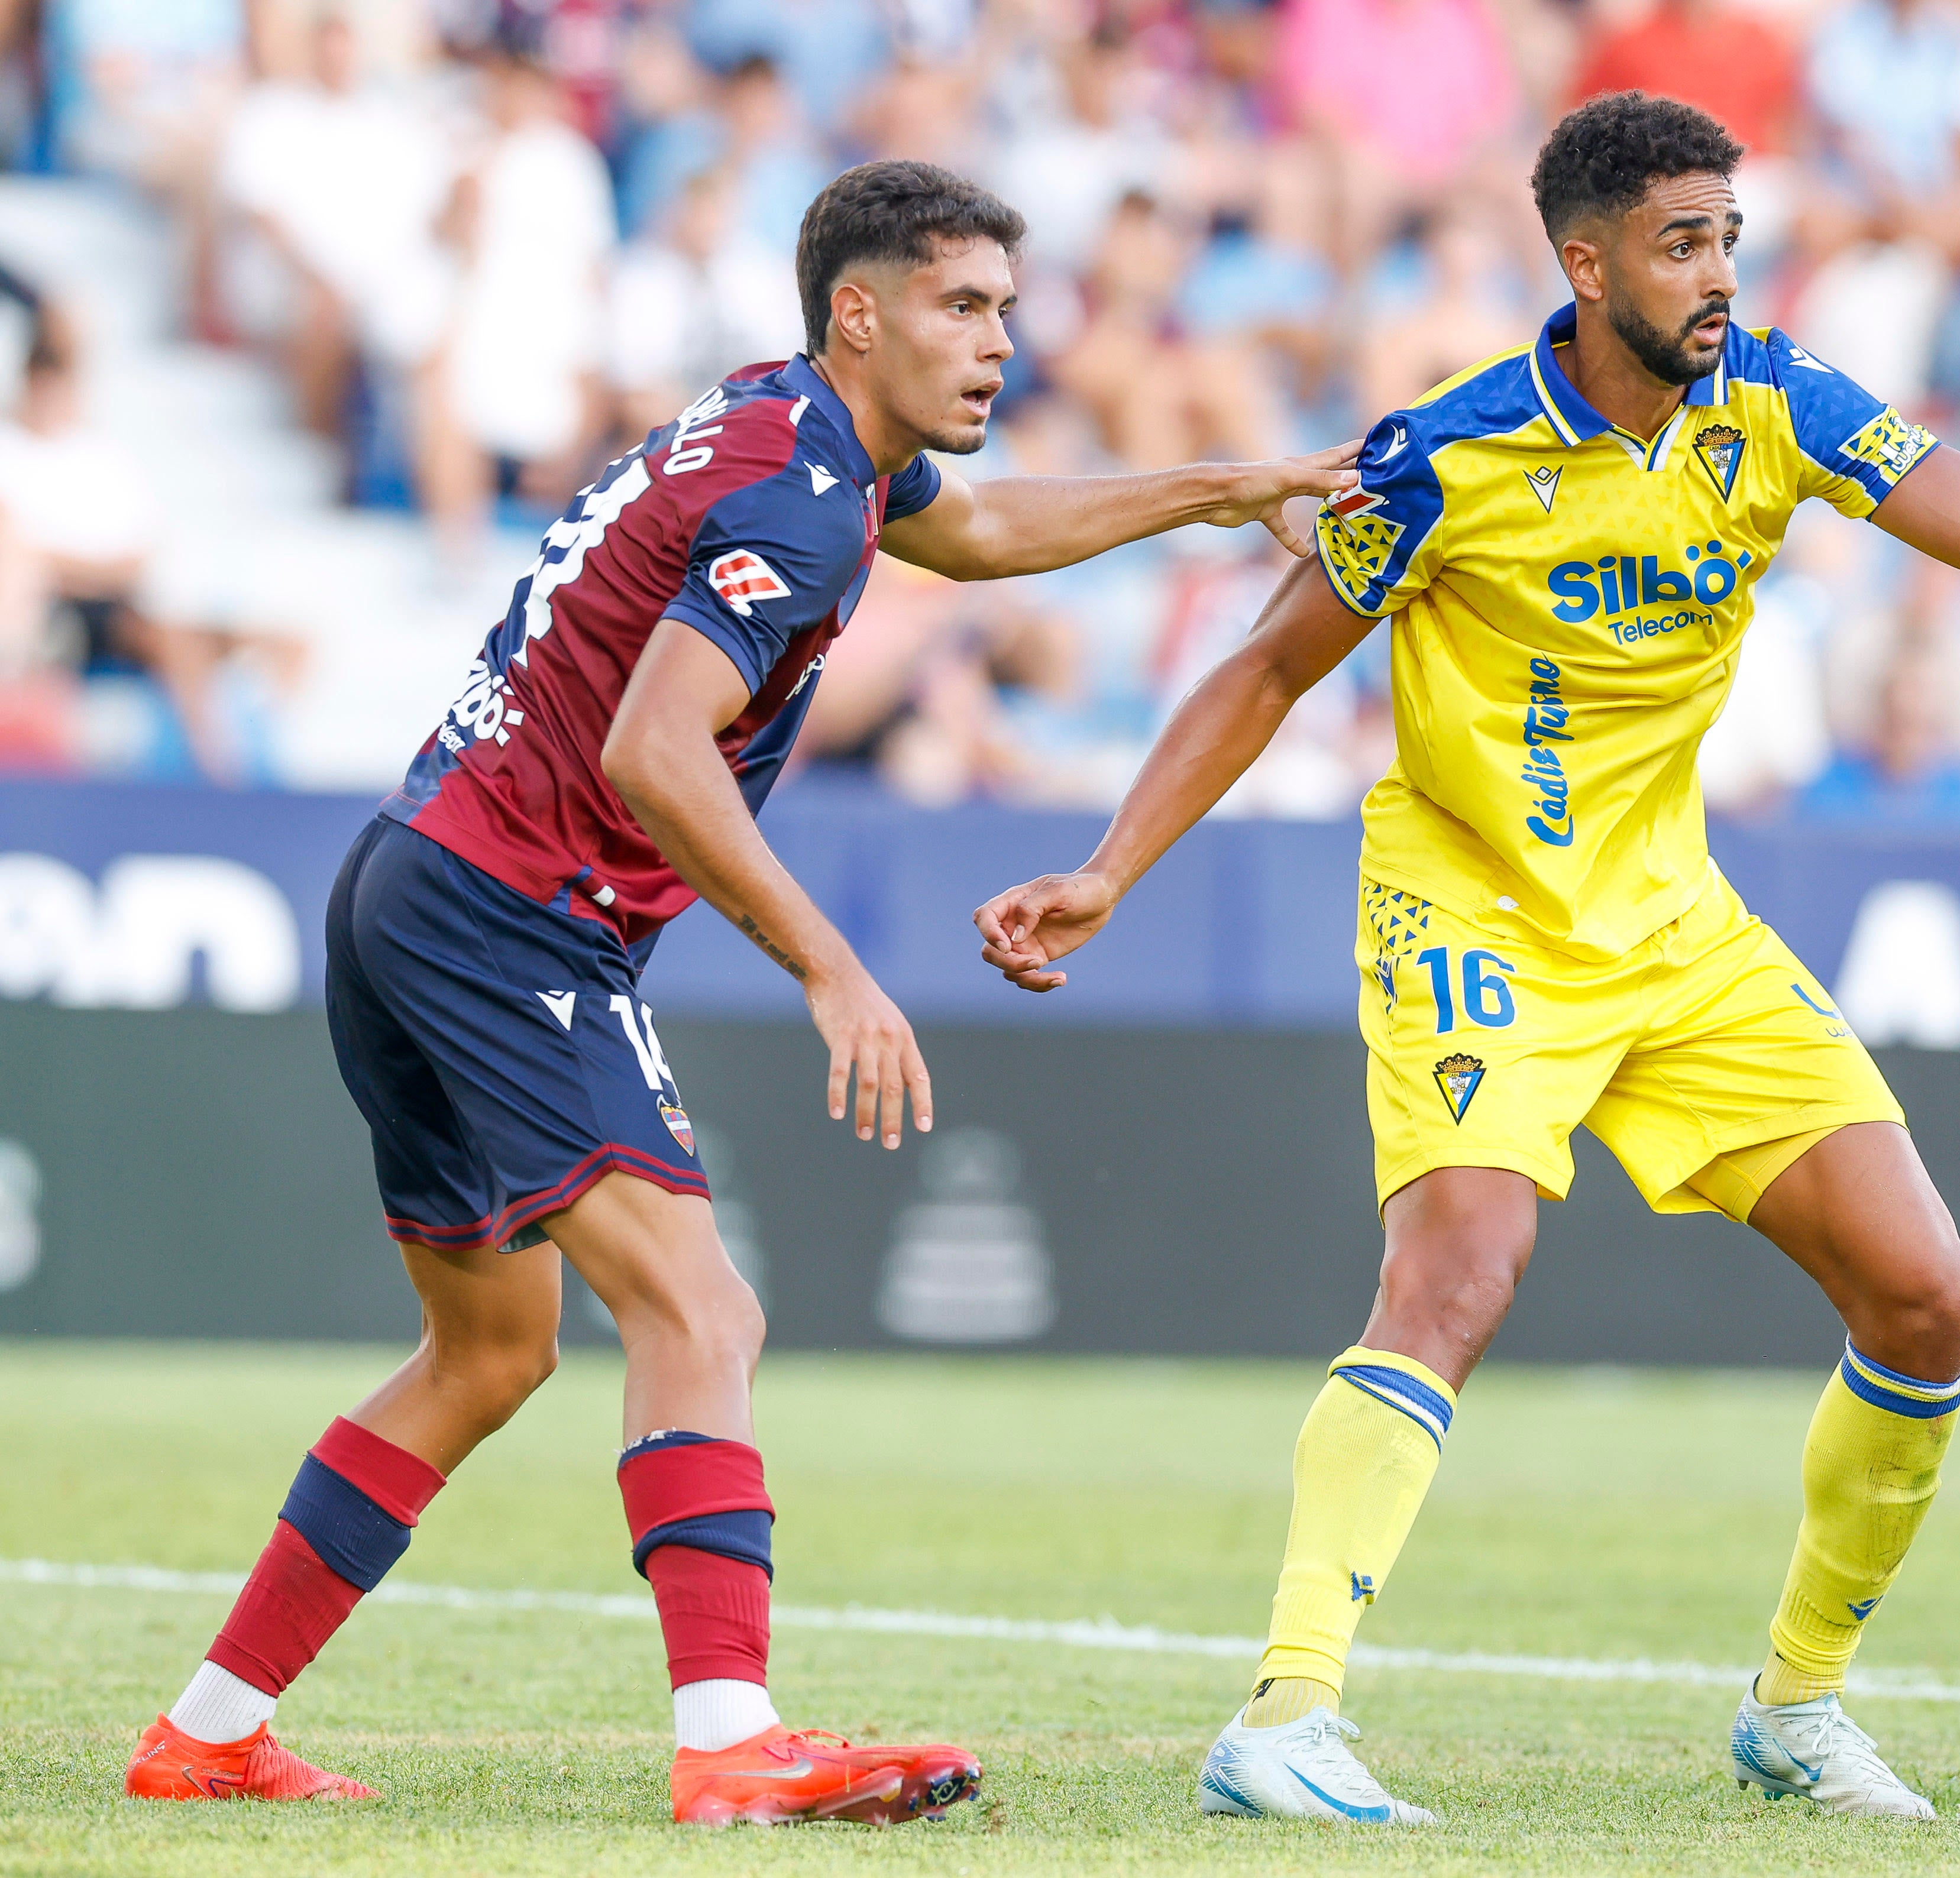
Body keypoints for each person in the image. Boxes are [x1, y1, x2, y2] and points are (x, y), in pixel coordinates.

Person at [973, 93, 1960, 1825]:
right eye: (1682, 244)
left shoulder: (1781, 406)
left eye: (1729, 236)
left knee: (1928, 1298)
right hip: (1475, 905)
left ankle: (1798, 1709)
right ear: (1585, 266)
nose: (1719, 273)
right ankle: (1284, 1716)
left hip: (1674, 923)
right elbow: (1271, 670)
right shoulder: (1446, 453)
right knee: (1459, 1270)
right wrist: (1111, 869)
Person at [121, 159, 1356, 1828]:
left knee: (486, 1356)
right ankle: (729, 1741)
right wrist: (833, 965)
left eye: (1006, 308)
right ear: (860, 311)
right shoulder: (799, 494)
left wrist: (1226, 485)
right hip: (510, 916)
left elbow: (985, 533)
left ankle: (207, 1731)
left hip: (413, 880)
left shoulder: (789, 426)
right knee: (705, 1315)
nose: (1000, 341)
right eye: (962, 306)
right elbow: (653, 746)